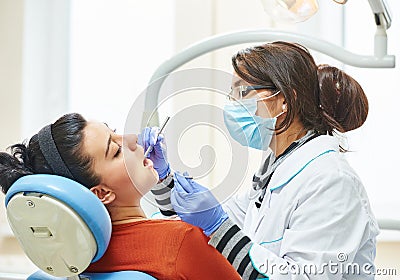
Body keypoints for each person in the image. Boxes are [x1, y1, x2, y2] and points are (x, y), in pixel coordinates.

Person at [142, 41, 380, 279]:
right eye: (231, 94)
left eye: (242, 92)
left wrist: (218, 224)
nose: (232, 104)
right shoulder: (275, 173)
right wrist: (163, 179)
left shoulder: (330, 181)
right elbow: (197, 227)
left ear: (285, 99)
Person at [0, 113, 241, 280]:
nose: (133, 140)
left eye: (115, 133)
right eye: (116, 151)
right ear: (102, 193)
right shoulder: (180, 243)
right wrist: (219, 226)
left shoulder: (77, 259)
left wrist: (166, 180)